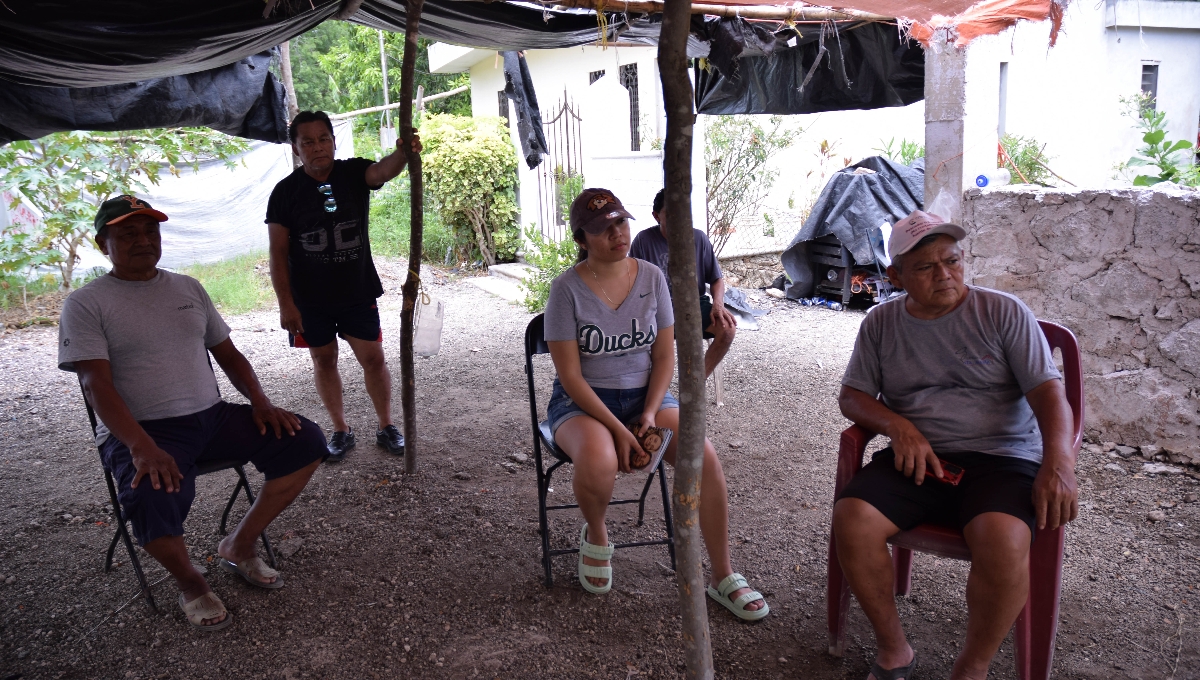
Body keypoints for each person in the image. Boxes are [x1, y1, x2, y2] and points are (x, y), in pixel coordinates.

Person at [59, 196, 327, 632]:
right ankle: (190, 582)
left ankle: (238, 545)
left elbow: (229, 354)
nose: (142, 241)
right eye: (127, 234)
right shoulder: (86, 304)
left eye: (150, 232)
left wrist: (261, 401)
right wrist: (140, 447)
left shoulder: (187, 287)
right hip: (144, 432)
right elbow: (96, 386)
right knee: (151, 495)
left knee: (306, 441)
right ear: (102, 243)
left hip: (213, 417)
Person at [831, 210, 1078, 680]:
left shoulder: (1002, 312)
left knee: (1003, 540)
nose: (945, 275)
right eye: (925, 267)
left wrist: (1059, 461)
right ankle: (893, 650)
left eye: (953, 260)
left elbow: (1049, 392)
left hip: (1002, 458)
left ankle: (973, 666)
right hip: (919, 457)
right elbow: (853, 396)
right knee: (853, 519)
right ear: (895, 275)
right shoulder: (881, 324)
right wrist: (898, 426)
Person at [543, 187, 768, 620]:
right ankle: (597, 532)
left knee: (703, 455)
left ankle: (723, 575)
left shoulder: (651, 277)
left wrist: (647, 413)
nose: (616, 233)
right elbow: (570, 377)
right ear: (581, 239)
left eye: (620, 222)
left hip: (647, 393)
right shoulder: (565, 291)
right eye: (602, 229)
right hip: (584, 401)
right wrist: (620, 429)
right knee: (600, 458)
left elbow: (664, 356)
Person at [265, 111, 420, 461]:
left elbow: (383, 170)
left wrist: (403, 153)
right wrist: (286, 304)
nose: (317, 147)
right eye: (308, 142)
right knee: (323, 360)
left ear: (333, 141)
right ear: (296, 148)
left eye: (323, 139)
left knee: (374, 360)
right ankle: (340, 429)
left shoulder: (352, 172)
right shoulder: (285, 192)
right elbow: (277, 252)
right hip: (309, 300)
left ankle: (386, 426)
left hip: (357, 291)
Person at [628, 188, 736, 377]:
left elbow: (717, 278)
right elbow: (632, 284)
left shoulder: (699, 238)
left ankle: (696, 381)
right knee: (637, 339)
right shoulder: (643, 241)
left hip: (694, 306)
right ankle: (650, 389)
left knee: (727, 329)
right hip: (655, 310)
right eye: (670, 214)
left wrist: (718, 304)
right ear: (656, 216)